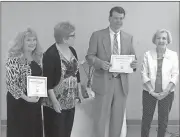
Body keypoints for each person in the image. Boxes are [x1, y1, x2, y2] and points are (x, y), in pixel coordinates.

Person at [86, 6, 137, 137]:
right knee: (100, 119)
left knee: (117, 120)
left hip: (121, 84)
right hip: (103, 82)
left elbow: (133, 58)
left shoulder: (128, 37)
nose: (118, 21)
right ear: (109, 18)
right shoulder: (97, 35)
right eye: (115, 18)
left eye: (121, 18)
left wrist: (134, 64)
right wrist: (100, 63)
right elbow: (89, 56)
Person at [42, 21, 83, 137]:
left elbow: (77, 73)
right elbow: (48, 82)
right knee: (55, 133)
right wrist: (55, 102)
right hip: (55, 102)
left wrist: (79, 93)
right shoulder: (50, 55)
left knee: (66, 132)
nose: (75, 38)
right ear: (65, 39)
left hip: (70, 101)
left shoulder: (72, 50)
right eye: (73, 35)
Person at [141, 29, 179, 137]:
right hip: (149, 92)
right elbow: (144, 74)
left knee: (163, 120)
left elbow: (175, 74)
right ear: (155, 40)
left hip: (167, 93)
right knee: (146, 120)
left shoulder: (173, 55)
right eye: (158, 38)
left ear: (168, 40)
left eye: (164, 38)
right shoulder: (147, 54)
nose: (161, 40)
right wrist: (151, 91)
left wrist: (166, 91)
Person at [6, 28, 43, 137]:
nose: (32, 43)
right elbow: (11, 84)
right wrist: (27, 98)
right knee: (21, 131)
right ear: (21, 42)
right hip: (19, 101)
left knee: (33, 130)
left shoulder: (37, 57)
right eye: (28, 40)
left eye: (34, 40)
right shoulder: (14, 59)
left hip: (34, 100)